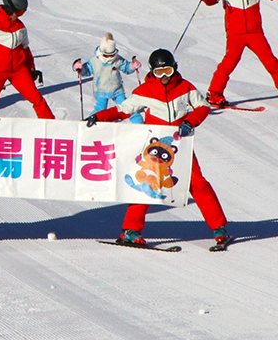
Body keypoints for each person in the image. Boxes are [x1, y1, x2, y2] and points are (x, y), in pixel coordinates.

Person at [87, 48, 229, 249]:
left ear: (175, 69)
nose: (163, 77)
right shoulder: (144, 91)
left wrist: (191, 121)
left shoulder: (185, 87)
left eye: (168, 72)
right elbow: (121, 110)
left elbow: (203, 106)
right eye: (159, 72)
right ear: (151, 71)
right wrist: (98, 116)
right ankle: (130, 231)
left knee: (197, 183)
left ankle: (220, 228)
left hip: (180, 146)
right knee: (146, 184)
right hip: (154, 149)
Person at [201, 0, 278, 106]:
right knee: (229, 63)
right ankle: (214, 95)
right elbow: (213, 0)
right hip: (236, 34)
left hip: (255, 32)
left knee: (270, 61)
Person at [73, 33, 143, 123]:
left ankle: (139, 123)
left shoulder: (117, 59)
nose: (110, 57)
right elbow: (87, 70)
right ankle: (89, 123)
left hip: (117, 90)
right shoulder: (95, 61)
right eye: (106, 55)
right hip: (102, 90)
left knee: (128, 106)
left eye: (112, 54)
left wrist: (132, 66)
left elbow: (125, 67)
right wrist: (80, 68)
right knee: (100, 110)